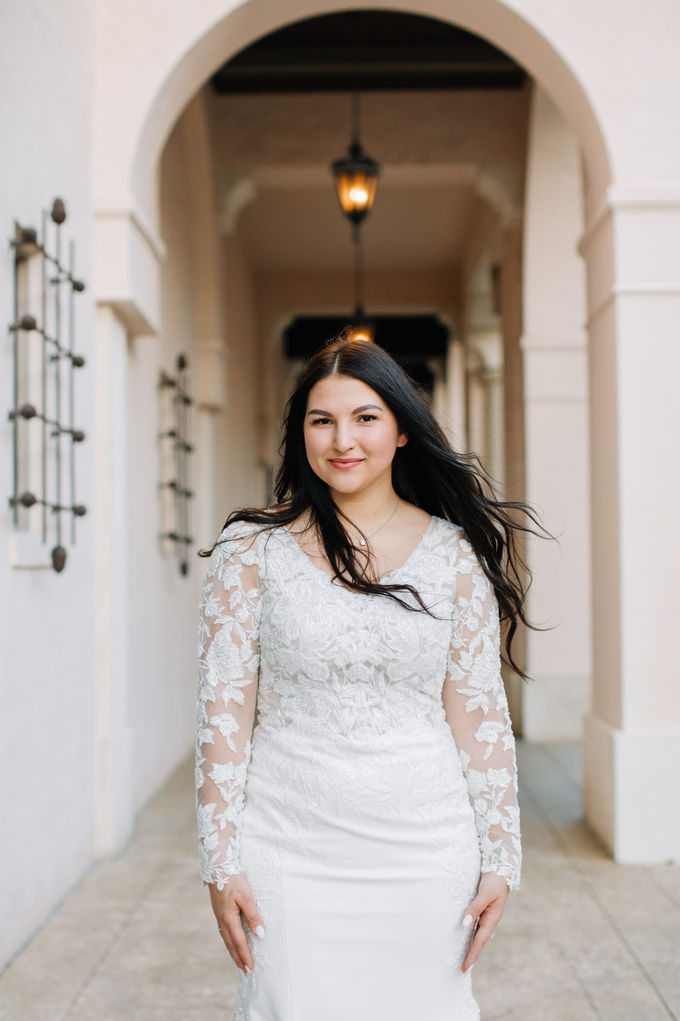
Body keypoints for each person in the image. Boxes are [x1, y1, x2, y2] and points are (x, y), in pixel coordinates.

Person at [195, 333, 541, 1021]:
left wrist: (502, 854)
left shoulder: (455, 555)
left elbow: (477, 712)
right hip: (288, 845)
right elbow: (223, 714)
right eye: (321, 420)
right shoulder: (250, 551)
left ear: (402, 432)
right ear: (301, 434)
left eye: (365, 417)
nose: (341, 439)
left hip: (423, 847)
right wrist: (219, 857)